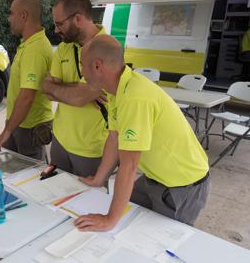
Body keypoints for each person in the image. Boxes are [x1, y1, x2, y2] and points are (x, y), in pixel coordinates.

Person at [75, 35, 210, 231]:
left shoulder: (135, 97)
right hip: (154, 178)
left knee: (157, 241)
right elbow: (114, 138)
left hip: (182, 185)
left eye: (82, 66)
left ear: (97, 66)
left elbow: (129, 165)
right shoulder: (116, 90)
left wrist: (109, 220)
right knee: (129, 221)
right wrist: (98, 179)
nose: (81, 73)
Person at [41, 0, 108, 176]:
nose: (55, 30)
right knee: (54, 196)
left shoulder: (106, 48)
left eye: (59, 24)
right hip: (60, 142)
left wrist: (64, 89)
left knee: (88, 204)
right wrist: (80, 89)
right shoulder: (65, 47)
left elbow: (78, 98)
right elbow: (45, 88)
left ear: (78, 18)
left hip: (91, 149)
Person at [0, 0, 53, 160]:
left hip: (30, 127)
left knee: (30, 177)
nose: (9, 19)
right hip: (21, 123)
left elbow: (27, 96)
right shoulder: (29, 43)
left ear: (24, 16)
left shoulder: (35, 49)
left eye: (11, 13)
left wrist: (8, 130)